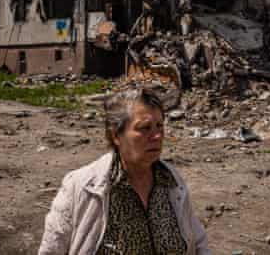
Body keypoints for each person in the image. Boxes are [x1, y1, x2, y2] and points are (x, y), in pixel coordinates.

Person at [38, 88, 210, 255]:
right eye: (145, 128)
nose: (157, 136)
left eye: (159, 126)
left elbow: (198, 241)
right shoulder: (81, 187)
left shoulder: (172, 181)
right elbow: (51, 250)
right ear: (115, 135)